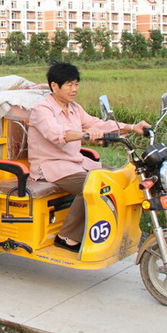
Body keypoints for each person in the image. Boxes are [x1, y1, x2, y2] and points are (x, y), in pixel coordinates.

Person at [28, 62, 150, 253]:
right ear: (54, 86)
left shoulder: (74, 108)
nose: (74, 89)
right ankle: (66, 236)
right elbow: (56, 134)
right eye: (69, 85)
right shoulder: (42, 110)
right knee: (93, 186)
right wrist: (85, 135)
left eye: (76, 84)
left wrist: (132, 127)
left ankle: (111, 228)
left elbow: (98, 124)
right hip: (52, 167)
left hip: (75, 162)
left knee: (119, 178)